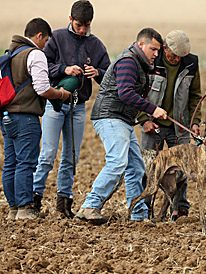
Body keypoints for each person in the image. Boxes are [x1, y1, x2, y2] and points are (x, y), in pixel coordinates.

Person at [75, 28, 168, 224]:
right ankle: (90, 205)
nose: (156, 54)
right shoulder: (128, 61)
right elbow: (125, 93)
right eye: (153, 49)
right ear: (141, 45)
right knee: (117, 161)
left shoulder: (138, 63)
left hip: (123, 119)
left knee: (136, 167)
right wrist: (153, 109)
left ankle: (138, 214)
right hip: (110, 117)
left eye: (158, 51)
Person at [32, 0, 111, 218]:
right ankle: (34, 197)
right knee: (47, 154)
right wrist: (64, 69)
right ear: (70, 20)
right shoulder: (56, 38)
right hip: (55, 104)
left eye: (87, 25)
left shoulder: (96, 45)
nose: (83, 29)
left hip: (78, 107)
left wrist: (98, 73)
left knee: (71, 157)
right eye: (79, 25)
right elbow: (43, 66)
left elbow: (109, 72)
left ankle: (63, 202)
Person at [1, 18, 71, 220]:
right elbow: (41, 88)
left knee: (11, 163)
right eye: (46, 40)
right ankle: (25, 208)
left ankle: (13, 209)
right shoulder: (35, 54)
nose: (46, 44)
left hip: (7, 116)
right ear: (39, 35)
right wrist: (60, 95)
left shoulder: (11, 53)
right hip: (26, 117)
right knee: (26, 163)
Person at [137, 30, 202, 219]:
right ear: (165, 49)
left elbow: (195, 96)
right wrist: (144, 119)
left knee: (182, 170)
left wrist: (195, 122)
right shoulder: (151, 61)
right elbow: (138, 92)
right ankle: (145, 209)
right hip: (153, 125)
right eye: (174, 55)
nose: (177, 60)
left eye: (181, 57)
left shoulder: (191, 63)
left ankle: (179, 209)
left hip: (179, 126)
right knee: (149, 169)